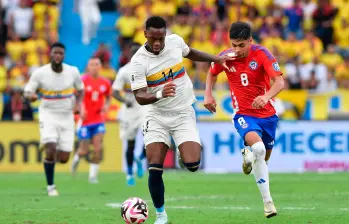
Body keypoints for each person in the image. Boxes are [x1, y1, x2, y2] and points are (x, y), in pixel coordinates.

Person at [128, 16, 233, 224]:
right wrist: (159, 94)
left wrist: (215, 58)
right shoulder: (139, 61)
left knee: (193, 164)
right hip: (157, 116)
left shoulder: (175, 42)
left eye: (161, 38)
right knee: (155, 166)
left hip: (183, 113)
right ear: (145, 34)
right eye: (153, 38)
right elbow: (140, 96)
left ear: (165, 34)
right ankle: (161, 215)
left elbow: (191, 52)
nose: (157, 43)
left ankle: (182, 153)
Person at [204, 21, 284, 218]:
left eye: (241, 45)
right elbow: (211, 73)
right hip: (243, 114)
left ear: (250, 41)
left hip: (267, 115)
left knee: (262, 158)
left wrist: (265, 97)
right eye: (234, 45)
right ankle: (268, 203)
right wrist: (208, 95)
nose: (237, 50)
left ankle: (247, 155)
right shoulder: (226, 57)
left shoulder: (263, 54)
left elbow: (279, 82)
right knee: (259, 149)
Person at [24, 42, 84, 196]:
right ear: (50, 54)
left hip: (67, 116)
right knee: (51, 149)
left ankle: (48, 150)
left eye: (60, 53)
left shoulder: (73, 71)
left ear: (64, 56)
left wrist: (78, 104)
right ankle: (51, 186)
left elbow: (80, 90)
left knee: (64, 158)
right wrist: (31, 96)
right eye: (55, 53)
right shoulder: (40, 73)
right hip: (48, 114)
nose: (57, 56)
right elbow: (28, 92)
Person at [71, 57, 111, 183]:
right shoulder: (82, 81)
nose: (94, 67)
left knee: (98, 148)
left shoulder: (105, 82)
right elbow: (76, 97)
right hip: (85, 121)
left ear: (100, 67)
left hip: (98, 120)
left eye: (97, 64)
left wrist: (106, 105)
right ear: (88, 67)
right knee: (84, 150)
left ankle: (93, 177)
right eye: (92, 64)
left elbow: (109, 97)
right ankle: (76, 159)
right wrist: (80, 108)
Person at [112, 43, 147, 186]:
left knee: (151, 135)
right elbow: (115, 91)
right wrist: (124, 100)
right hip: (130, 108)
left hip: (145, 106)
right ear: (129, 54)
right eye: (133, 53)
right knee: (130, 143)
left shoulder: (149, 69)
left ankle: (141, 157)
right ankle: (129, 173)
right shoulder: (123, 71)